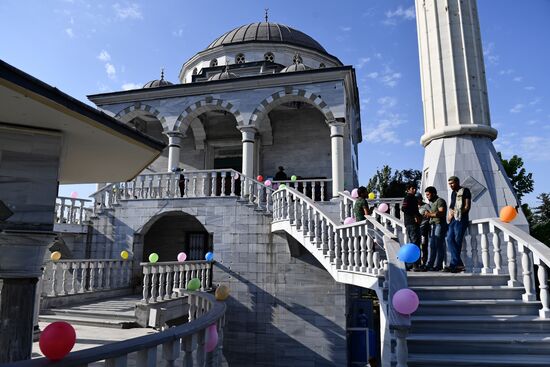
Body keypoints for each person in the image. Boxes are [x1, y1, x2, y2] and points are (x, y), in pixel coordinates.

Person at [445, 176, 471, 273]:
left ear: (457, 182)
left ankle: (454, 264)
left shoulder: (465, 191)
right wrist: (450, 214)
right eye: (449, 184)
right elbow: (451, 206)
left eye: (452, 183)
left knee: (457, 240)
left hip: (461, 218)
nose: (451, 185)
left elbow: (467, 206)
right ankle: (458, 263)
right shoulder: (453, 193)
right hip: (453, 220)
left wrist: (459, 213)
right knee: (449, 239)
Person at [423, 186, 447, 271]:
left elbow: (441, 213)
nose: (427, 196)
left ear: (433, 193)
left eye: (428, 194)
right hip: (433, 226)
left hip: (439, 224)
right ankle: (430, 264)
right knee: (432, 246)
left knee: (439, 245)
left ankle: (439, 265)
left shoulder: (440, 201)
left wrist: (429, 214)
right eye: (426, 195)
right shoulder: (432, 203)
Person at [401, 183, 421, 270]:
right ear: (408, 189)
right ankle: (414, 264)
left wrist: (419, 216)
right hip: (411, 223)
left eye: (415, 188)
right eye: (412, 188)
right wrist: (414, 216)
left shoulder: (413, 198)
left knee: (415, 243)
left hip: (414, 223)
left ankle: (413, 264)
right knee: (414, 243)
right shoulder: (408, 197)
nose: (414, 190)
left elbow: (415, 210)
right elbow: (404, 208)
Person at [417, 193, 431, 268]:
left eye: (418, 199)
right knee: (416, 245)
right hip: (416, 228)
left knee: (423, 245)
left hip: (424, 227)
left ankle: (424, 262)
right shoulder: (414, 206)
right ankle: (417, 262)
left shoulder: (426, 205)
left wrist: (427, 214)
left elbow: (431, 214)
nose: (417, 200)